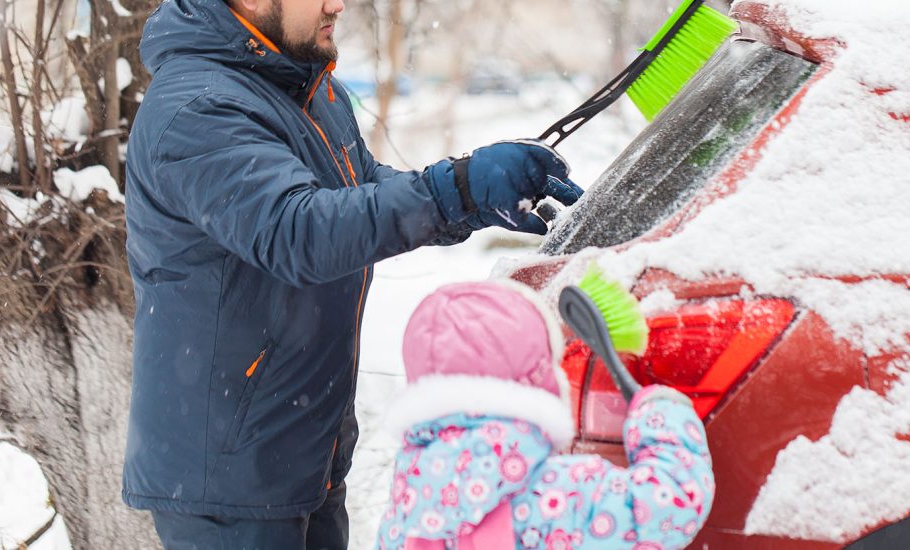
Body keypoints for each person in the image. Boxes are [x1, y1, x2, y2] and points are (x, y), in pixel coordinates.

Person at [120, 0, 584, 545]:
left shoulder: (309, 89)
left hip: (304, 452)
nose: (336, 3)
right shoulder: (198, 108)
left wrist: (469, 202)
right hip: (227, 483)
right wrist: (453, 189)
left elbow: (359, 193)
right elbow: (299, 233)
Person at [377, 281, 714, 549]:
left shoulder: (407, 507)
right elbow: (668, 506)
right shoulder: (562, 493)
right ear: (538, 383)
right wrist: (662, 415)